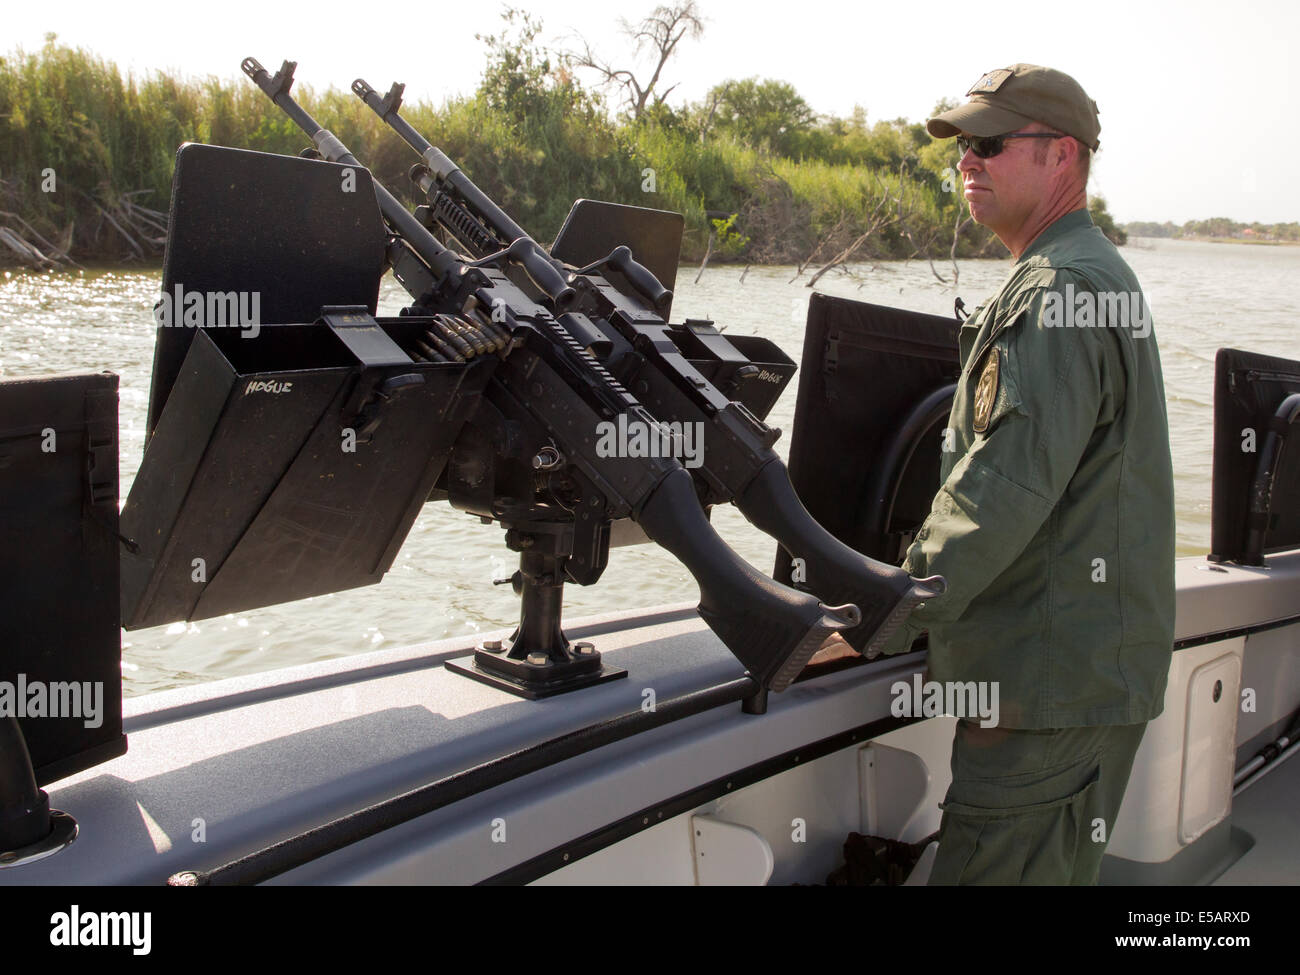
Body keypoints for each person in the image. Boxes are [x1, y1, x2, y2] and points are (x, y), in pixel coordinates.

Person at [808, 63, 1175, 885]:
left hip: (1047, 696)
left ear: (1063, 159)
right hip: (1073, 682)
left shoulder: (1056, 290)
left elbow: (1001, 489)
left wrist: (877, 616)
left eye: (991, 143)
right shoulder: (1088, 275)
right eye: (962, 147)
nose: (967, 162)